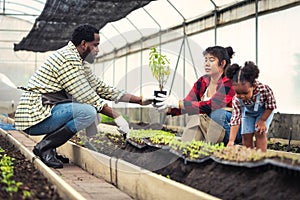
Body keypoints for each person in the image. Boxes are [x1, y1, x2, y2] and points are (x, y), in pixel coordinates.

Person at [14, 24, 153, 168]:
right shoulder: (68, 60)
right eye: (95, 45)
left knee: (80, 109)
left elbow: (100, 88)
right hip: (33, 116)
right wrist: (117, 117)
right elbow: (88, 96)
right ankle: (44, 147)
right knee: (87, 112)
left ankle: (49, 149)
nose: (97, 50)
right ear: (83, 44)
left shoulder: (79, 61)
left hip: (45, 111)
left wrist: (140, 100)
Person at [155, 46, 242, 145]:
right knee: (197, 115)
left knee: (216, 113)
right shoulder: (203, 81)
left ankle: (223, 146)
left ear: (222, 63)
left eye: (211, 60)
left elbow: (211, 106)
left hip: (232, 131)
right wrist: (169, 109)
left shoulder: (229, 82)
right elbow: (188, 103)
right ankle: (188, 148)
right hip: (211, 129)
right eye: (206, 60)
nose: (207, 64)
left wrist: (178, 103)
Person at [225, 61, 277, 152]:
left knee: (259, 132)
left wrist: (262, 120)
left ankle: (260, 157)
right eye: (238, 93)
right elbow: (235, 119)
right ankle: (249, 158)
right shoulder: (236, 100)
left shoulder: (264, 90)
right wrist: (231, 141)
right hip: (248, 114)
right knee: (246, 135)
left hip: (264, 113)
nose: (242, 96)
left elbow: (270, 106)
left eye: (245, 93)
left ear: (254, 85)